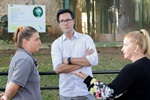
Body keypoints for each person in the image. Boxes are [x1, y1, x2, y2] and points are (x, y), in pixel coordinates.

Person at [72, 29, 150, 100]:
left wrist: (88, 80)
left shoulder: (132, 69)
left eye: (125, 45)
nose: (122, 49)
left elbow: (108, 94)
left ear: (136, 47)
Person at [51, 9, 98, 100]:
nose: (65, 23)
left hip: (86, 91)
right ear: (59, 24)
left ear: (73, 21)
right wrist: (84, 60)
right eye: (62, 21)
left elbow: (94, 60)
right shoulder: (56, 44)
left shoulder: (86, 39)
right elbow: (58, 69)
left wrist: (69, 60)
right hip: (67, 93)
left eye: (68, 20)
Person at [0, 26, 41, 100]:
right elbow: (14, 84)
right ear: (25, 42)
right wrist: (6, 97)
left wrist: (6, 94)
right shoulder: (25, 60)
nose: (40, 42)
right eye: (36, 39)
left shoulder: (21, 56)